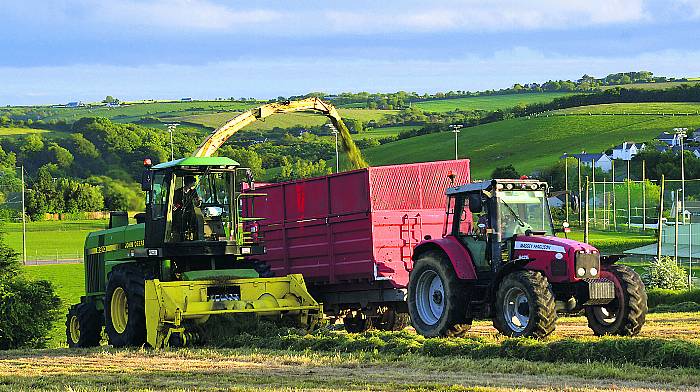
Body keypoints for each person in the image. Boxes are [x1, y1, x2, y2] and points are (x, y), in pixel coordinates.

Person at [173, 176, 202, 240]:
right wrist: (177, 206)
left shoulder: (193, 192)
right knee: (179, 222)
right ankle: (180, 235)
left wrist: (199, 201)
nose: (194, 183)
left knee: (196, 220)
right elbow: (174, 203)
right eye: (193, 182)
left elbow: (196, 204)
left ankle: (193, 235)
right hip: (180, 213)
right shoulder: (178, 192)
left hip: (190, 213)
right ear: (189, 183)